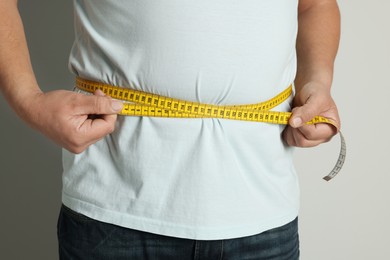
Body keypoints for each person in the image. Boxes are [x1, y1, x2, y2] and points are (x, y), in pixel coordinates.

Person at [0, 0, 341, 259]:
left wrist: (317, 81)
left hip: (264, 217)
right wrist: (30, 102)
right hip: (114, 213)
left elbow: (314, 5)